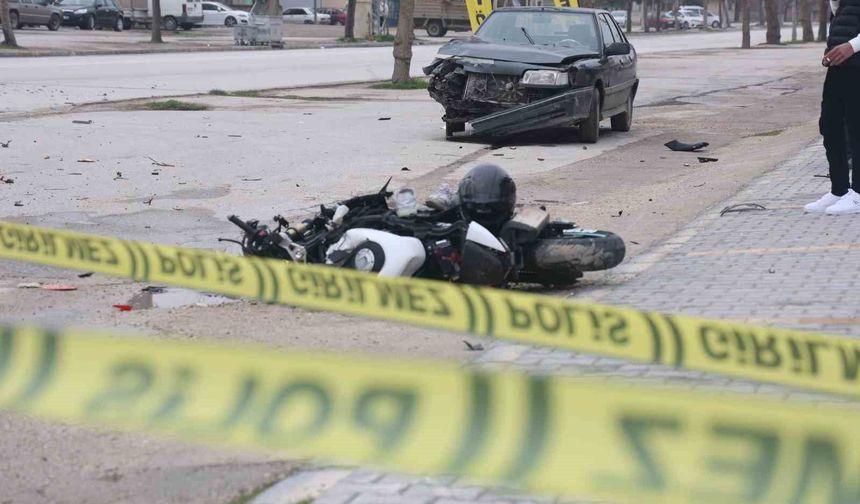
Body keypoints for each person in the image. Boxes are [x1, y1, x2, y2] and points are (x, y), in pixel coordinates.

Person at [804, 0, 860, 214]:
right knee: (830, 126)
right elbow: (841, 18)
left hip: (857, 65)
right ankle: (840, 190)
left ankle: (858, 194)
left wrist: (852, 46)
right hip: (839, 68)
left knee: (857, 131)